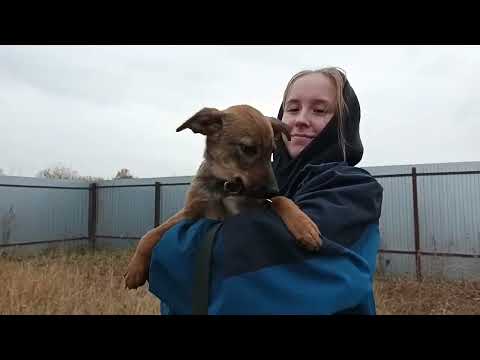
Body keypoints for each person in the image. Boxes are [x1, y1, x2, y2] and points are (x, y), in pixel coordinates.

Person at [148, 67, 383, 315]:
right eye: (292, 109)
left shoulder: (353, 190)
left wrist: (166, 248)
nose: (301, 119)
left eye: (320, 110)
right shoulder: (254, 181)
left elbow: (241, 264)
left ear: (343, 123)